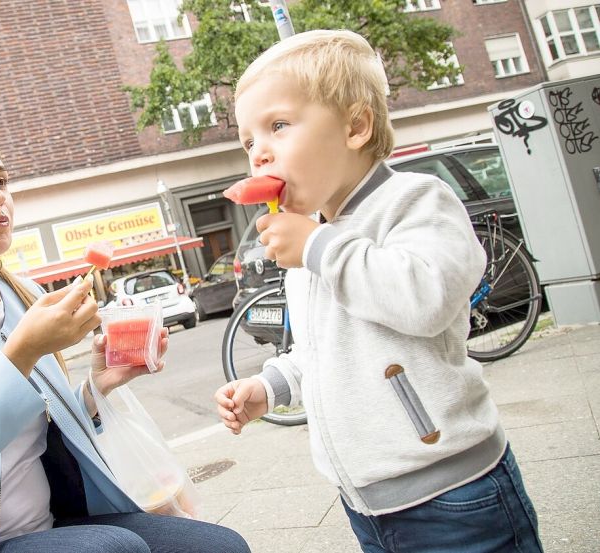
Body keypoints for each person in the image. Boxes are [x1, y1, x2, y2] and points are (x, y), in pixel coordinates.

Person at [214, 30, 543, 553]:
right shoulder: (311, 237)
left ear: (356, 125)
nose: (259, 154)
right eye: (249, 141)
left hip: (453, 495)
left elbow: (427, 298)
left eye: (278, 126)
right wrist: (271, 386)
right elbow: (327, 347)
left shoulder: (414, 201)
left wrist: (322, 247)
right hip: (366, 502)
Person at [0, 126, 251, 553]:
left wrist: (98, 388)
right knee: (114, 550)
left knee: (220, 546)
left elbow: (38, 433)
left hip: (56, 522)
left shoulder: (23, 295)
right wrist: (21, 354)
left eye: (0, 181)